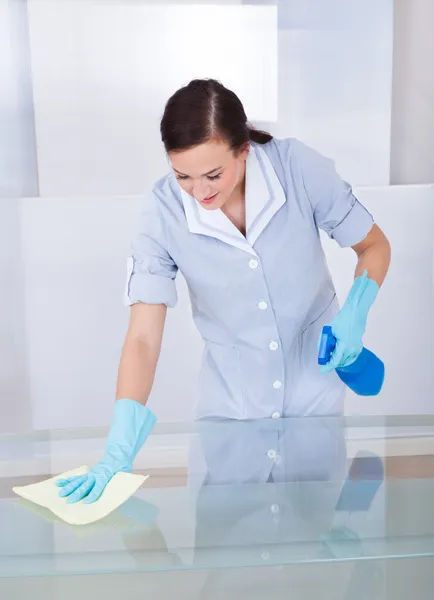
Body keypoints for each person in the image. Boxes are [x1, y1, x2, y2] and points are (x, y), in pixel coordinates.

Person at [57, 79, 391, 504]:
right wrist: (117, 449)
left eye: (214, 174)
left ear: (244, 149)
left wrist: (355, 313)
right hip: (230, 407)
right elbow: (142, 336)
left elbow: (374, 245)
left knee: (310, 541)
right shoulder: (162, 213)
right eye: (183, 176)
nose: (200, 192)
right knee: (227, 555)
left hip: (314, 398)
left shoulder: (298, 169)